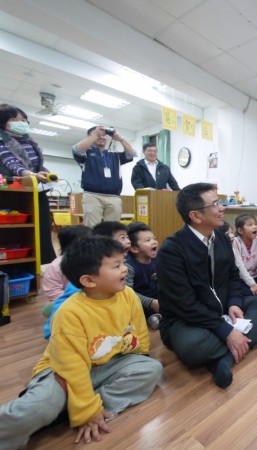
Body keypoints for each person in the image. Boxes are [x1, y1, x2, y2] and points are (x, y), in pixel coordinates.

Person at [0, 237, 163, 448]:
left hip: (108, 364)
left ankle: (70, 409)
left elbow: (139, 333)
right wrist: (86, 410)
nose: (125, 269)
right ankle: (68, 408)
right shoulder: (70, 313)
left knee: (152, 370)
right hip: (62, 371)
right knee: (37, 407)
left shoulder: (129, 295)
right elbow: (72, 367)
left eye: (123, 263)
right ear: (89, 281)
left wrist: (140, 357)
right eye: (116, 266)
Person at [156, 183, 257, 389]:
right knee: (193, 348)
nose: (222, 208)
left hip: (223, 311)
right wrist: (226, 331)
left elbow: (232, 275)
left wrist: (234, 302)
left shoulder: (220, 238)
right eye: (215, 204)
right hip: (187, 320)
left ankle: (223, 359)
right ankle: (235, 344)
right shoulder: (172, 250)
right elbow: (184, 304)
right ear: (196, 216)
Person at [0, 104, 56, 264]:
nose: (21, 122)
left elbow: (37, 166)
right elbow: (11, 164)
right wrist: (31, 175)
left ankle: (45, 265)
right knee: (19, 232)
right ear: (3, 122)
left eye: (24, 120)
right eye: (14, 119)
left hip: (36, 190)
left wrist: (45, 173)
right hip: (14, 193)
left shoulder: (30, 142)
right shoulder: (2, 140)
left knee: (43, 229)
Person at [73, 125, 136, 228]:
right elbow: (76, 150)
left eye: (104, 135)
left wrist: (120, 139)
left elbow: (131, 153)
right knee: (92, 228)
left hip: (114, 197)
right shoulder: (86, 153)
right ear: (90, 137)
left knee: (113, 229)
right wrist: (95, 135)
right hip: (92, 196)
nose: (102, 137)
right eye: (99, 135)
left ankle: (110, 245)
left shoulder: (114, 155)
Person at [41, 225, 92, 317]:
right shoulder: (56, 266)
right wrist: (74, 301)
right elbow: (52, 290)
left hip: (92, 298)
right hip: (67, 300)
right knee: (50, 309)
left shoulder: (94, 261)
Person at [125, 222, 162, 330]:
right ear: (134, 249)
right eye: (148, 240)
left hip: (158, 298)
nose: (154, 242)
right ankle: (152, 317)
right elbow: (128, 293)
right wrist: (151, 303)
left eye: (154, 238)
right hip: (141, 302)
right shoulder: (129, 266)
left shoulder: (158, 259)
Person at [232, 214, 257, 297]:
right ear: (240, 230)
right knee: (247, 294)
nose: (255, 227)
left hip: (256, 276)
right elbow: (240, 266)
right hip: (241, 278)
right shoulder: (235, 242)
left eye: (255, 224)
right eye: (250, 225)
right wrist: (252, 284)